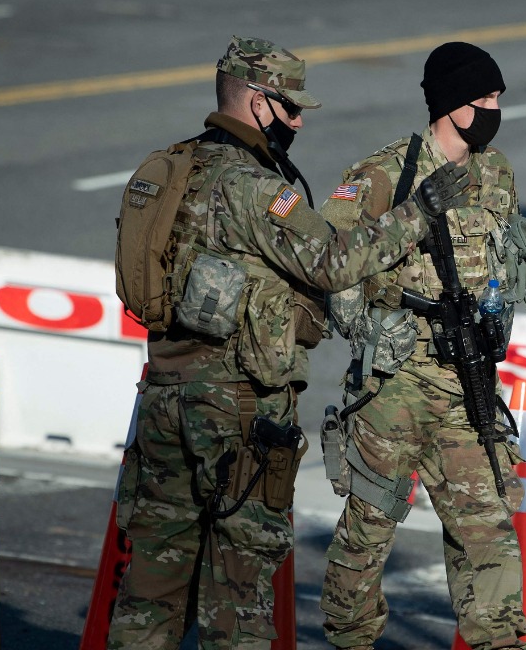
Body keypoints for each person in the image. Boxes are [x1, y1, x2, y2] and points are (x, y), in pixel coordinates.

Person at [107, 36, 473, 650]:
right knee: (239, 597)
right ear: (257, 101)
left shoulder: (168, 169)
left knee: (151, 588)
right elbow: (333, 261)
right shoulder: (256, 187)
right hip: (239, 410)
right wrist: (419, 211)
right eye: (291, 107)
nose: (298, 122)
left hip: (165, 396)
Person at [317, 41, 526, 650]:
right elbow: (328, 262)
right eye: (483, 98)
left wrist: (513, 277)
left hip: (467, 383)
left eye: (498, 97)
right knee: (368, 533)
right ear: (450, 103)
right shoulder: (383, 175)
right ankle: (349, 640)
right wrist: (366, 329)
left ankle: (498, 641)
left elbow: (499, 253)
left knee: (489, 531)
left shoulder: (495, 171)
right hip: (394, 389)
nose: (494, 109)